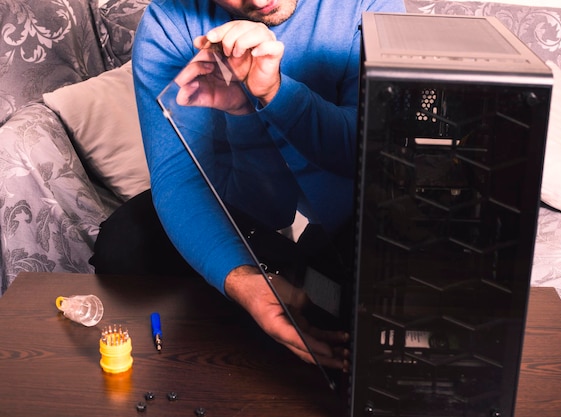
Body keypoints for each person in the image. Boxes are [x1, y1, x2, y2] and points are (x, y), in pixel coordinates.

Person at [91, 0, 406, 371]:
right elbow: (179, 174)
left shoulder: (368, 5)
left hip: (346, 214)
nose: (257, 1)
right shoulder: (168, 20)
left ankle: (295, 305)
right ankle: (256, 306)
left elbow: (370, 152)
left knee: (362, 304)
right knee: (124, 244)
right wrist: (239, 280)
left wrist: (274, 92)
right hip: (243, 208)